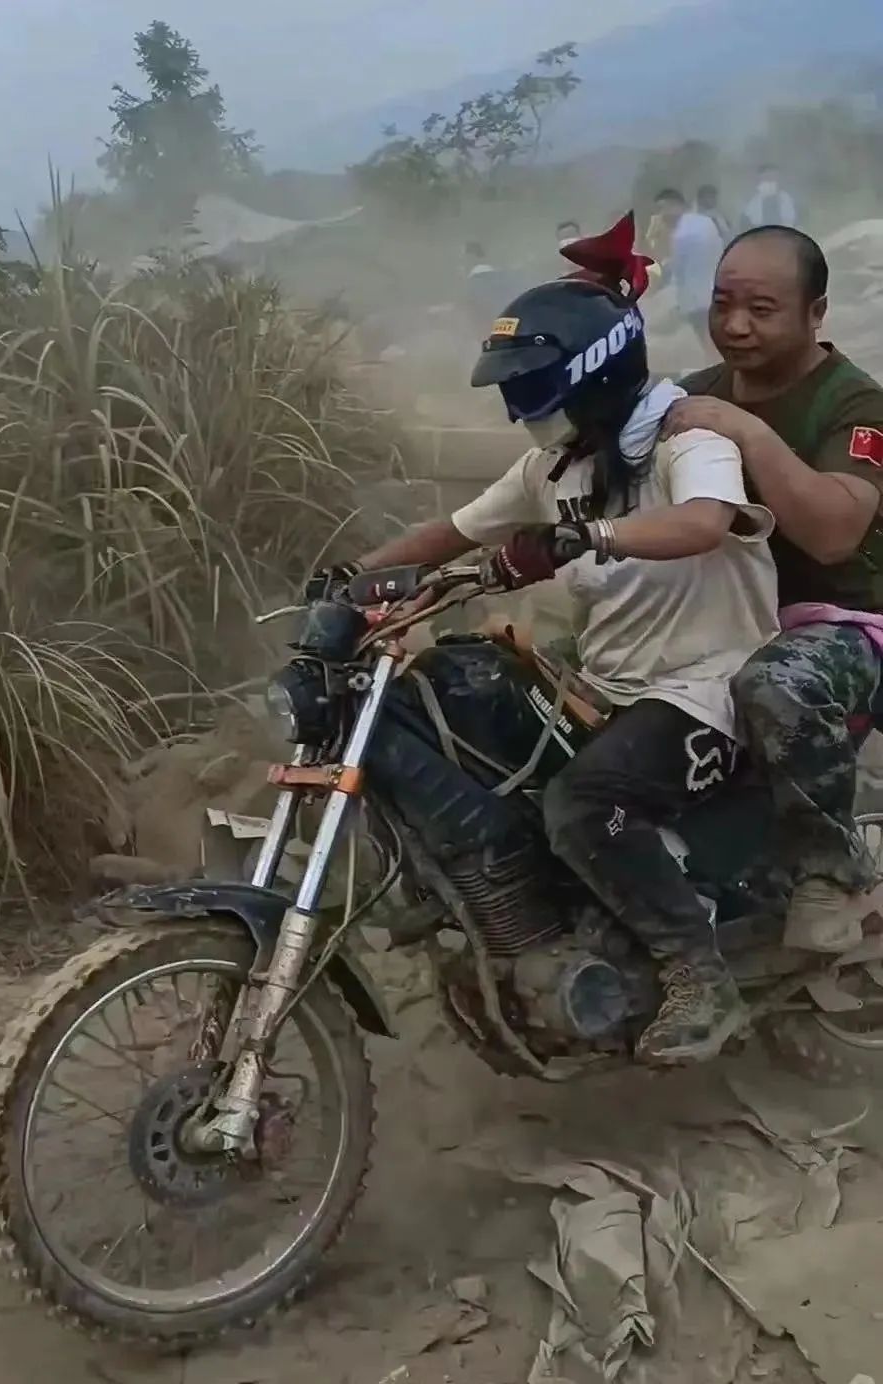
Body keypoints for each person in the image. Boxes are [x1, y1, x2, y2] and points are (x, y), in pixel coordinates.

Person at [327, 218, 780, 1064]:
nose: (519, 406)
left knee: (581, 803)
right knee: (472, 709)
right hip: (609, 687)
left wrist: (586, 537)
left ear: (593, 371)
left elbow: (702, 523)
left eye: (533, 385)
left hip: (709, 689)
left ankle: (699, 976)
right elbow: (453, 531)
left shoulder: (688, 441)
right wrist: (350, 576)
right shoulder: (556, 466)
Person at [668, 225, 883, 951]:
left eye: (761, 310)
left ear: (815, 313)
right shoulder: (692, 395)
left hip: (845, 628)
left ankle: (832, 872)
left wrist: (747, 433)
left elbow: (833, 533)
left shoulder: (855, 405)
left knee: (775, 683)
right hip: (729, 617)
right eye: (722, 304)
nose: (735, 325)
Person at [654, 188, 724, 353]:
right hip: (715, 290)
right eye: (660, 209)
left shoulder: (681, 234)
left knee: (708, 342)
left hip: (696, 299)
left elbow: (680, 270)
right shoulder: (705, 222)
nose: (663, 214)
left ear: (678, 206)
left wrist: (667, 268)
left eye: (665, 208)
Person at [741, 165, 798, 232]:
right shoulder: (752, 201)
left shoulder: (786, 199)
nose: (769, 182)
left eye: (772, 178)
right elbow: (749, 222)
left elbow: (790, 220)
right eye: (766, 178)